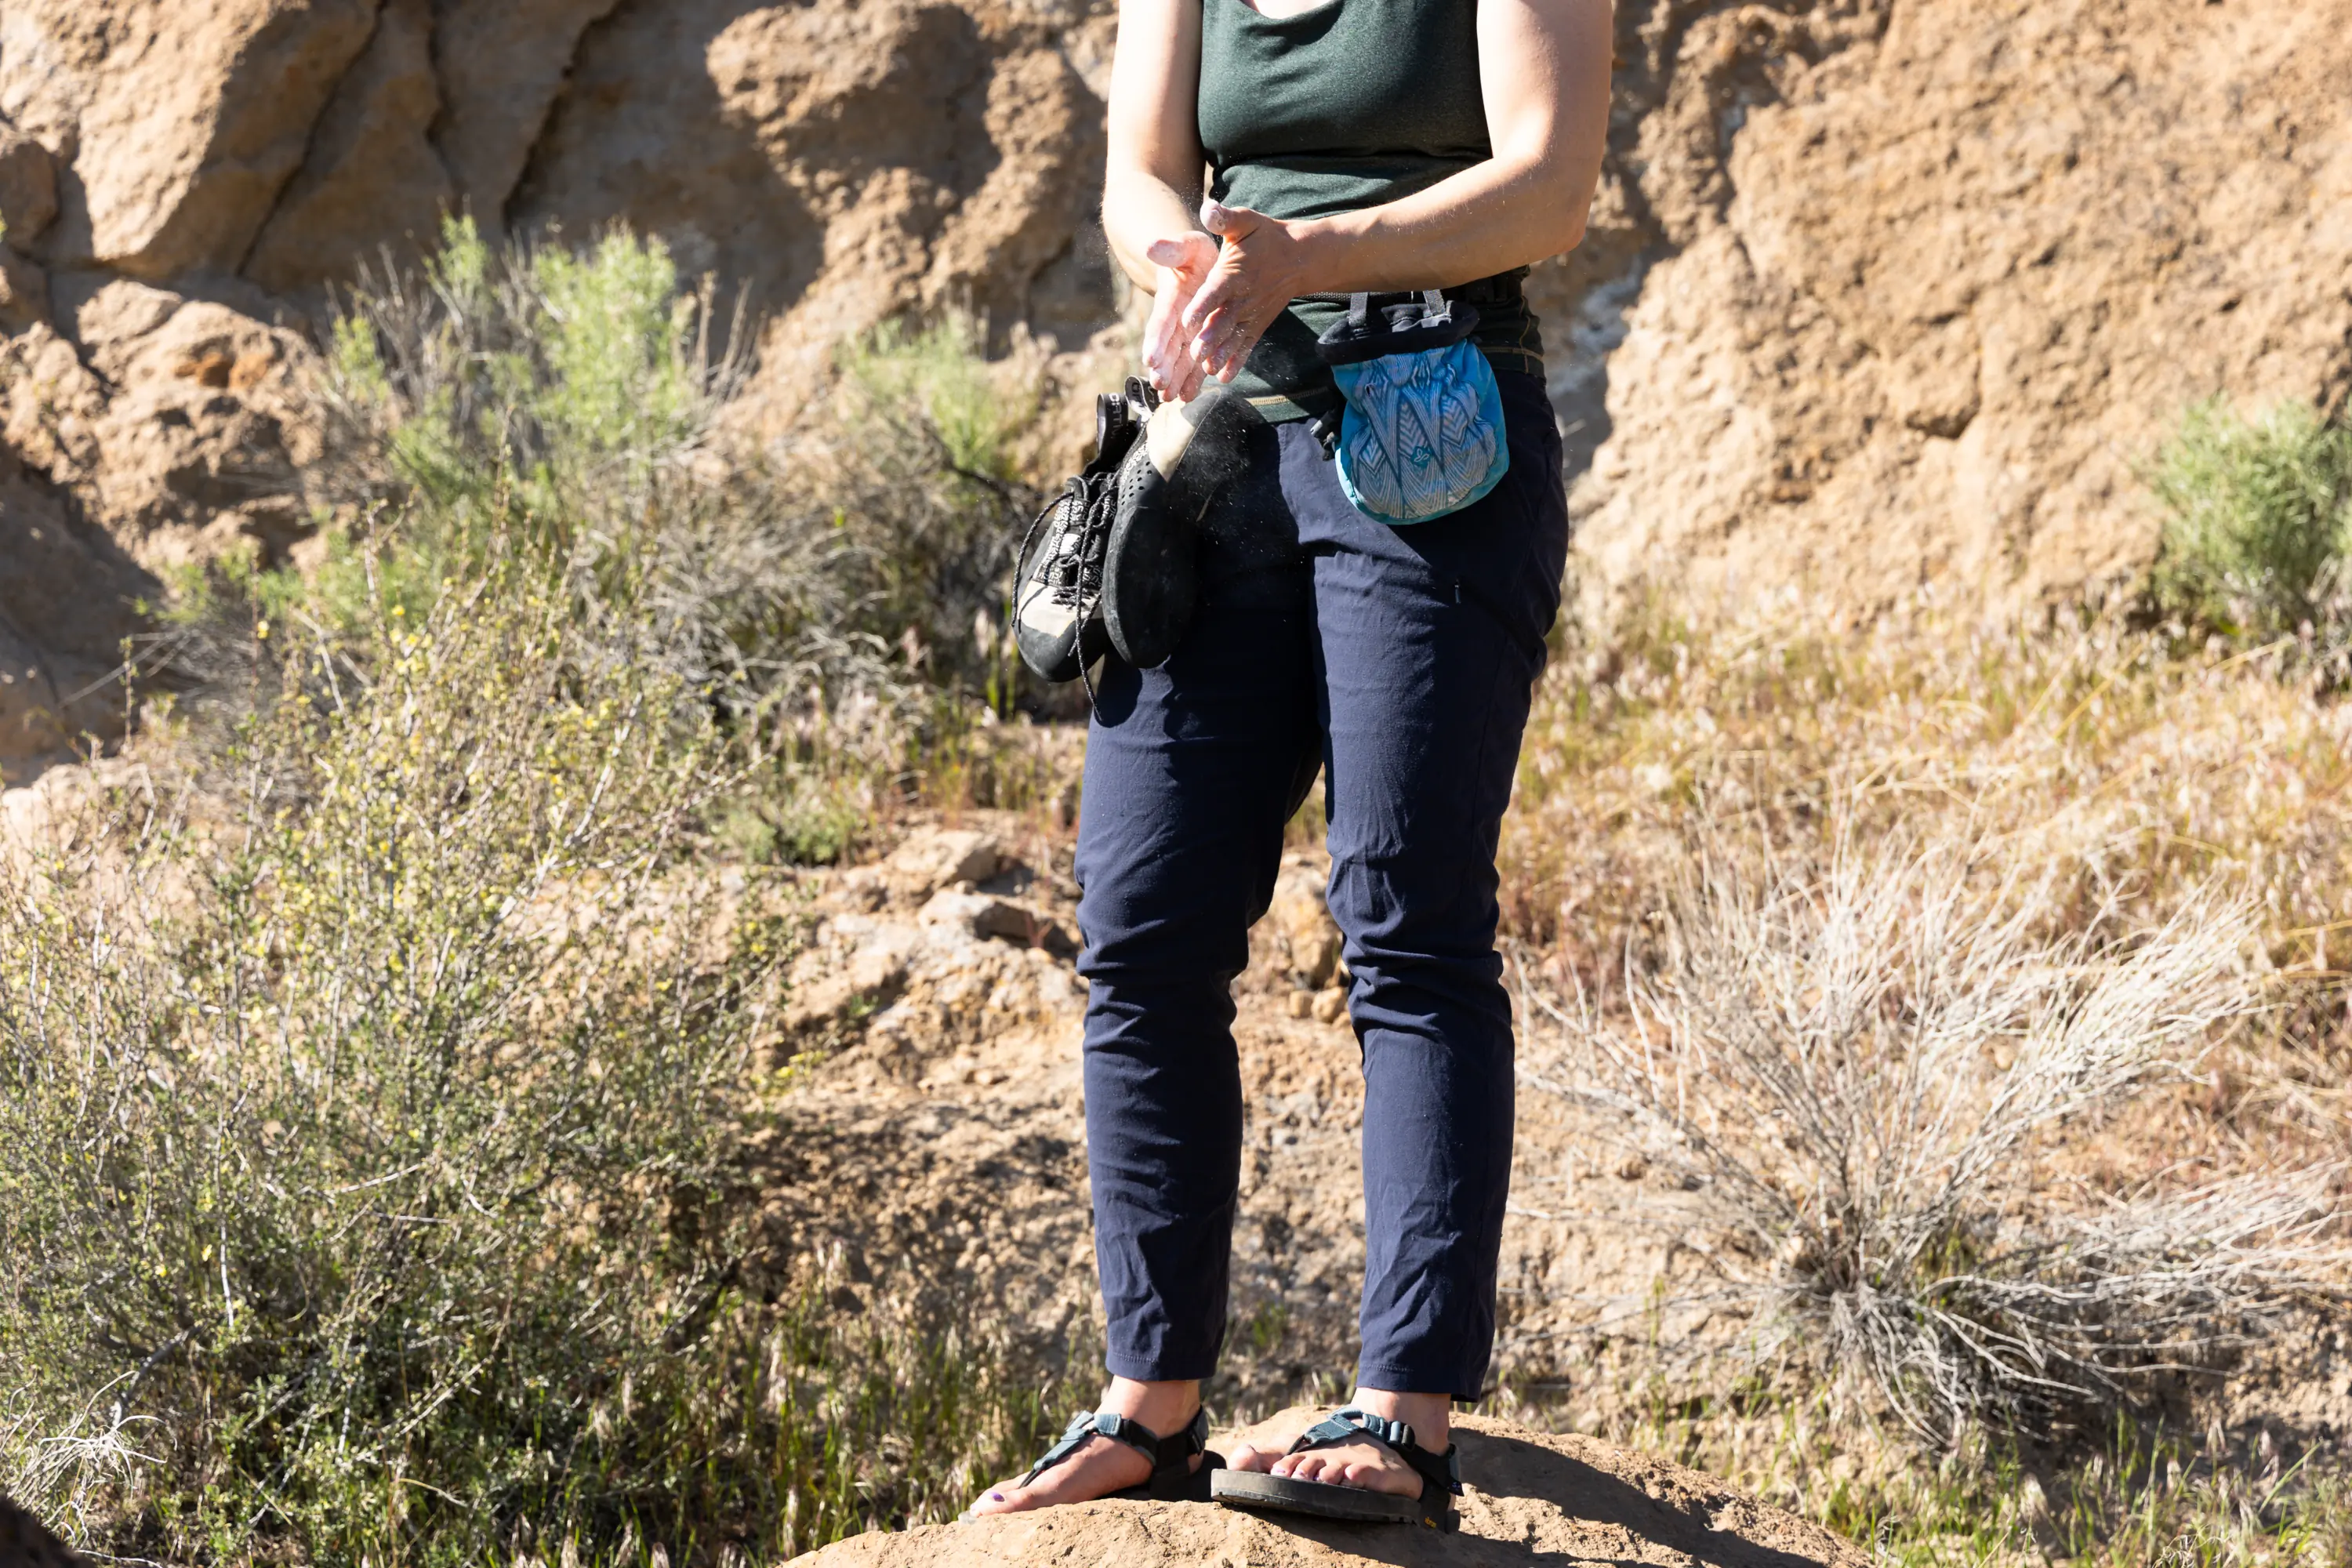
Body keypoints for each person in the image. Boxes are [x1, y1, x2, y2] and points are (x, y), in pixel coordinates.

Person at [971, 0, 1612, 1528]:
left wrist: (1308, 258)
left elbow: (1549, 183)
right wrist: (1182, 261)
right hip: (1214, 446)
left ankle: (1405, 1417)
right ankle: (1152, 1406)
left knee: (1406, 917)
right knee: (1140, 926)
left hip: (1438, 424)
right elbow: (1140, 172)